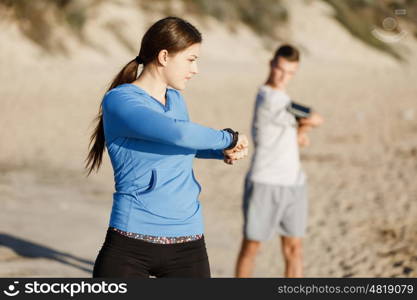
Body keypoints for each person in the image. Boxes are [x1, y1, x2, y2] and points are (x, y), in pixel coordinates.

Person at [86, 17, 249, 278]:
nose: (195, 69)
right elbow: (178, 133)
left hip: (188, 243)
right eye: (191, 59)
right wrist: (228, 138)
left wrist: (219, 151)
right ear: (164, 56)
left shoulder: (175, 99)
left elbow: (178, 144)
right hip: (131, 245)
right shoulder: (120, 100)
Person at [235, 44, 323, 278]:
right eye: (281, 70)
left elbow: (299, 121)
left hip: (294, 183)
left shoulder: (284, 100)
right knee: (252, 248)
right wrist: (304, 126)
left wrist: (299, 132)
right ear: (271, 64)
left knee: (295, 250)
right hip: (265, 182)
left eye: (291, 73)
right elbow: (314, 116)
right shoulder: (268, 98)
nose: (284, 77)